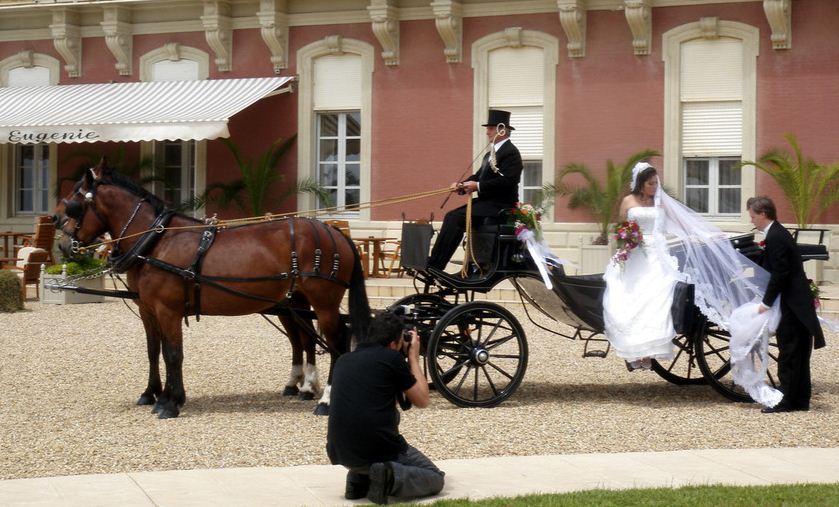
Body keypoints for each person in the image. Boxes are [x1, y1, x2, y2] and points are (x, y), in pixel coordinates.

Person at [326, 310, 445, 505]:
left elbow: (378, 401)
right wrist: (413, 357)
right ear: (393, 344)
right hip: (378, 450)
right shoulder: (391, 358)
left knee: (370, 444)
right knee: (434, 478)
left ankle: (359, 478)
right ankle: (388, 478)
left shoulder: (343, 360)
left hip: (341, 453)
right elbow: (422, 400)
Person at [747, 196, 825, 413]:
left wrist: (766, 302)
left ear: (763, 214)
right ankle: (800, 399)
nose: (752, 220)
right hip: (796, 303)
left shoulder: (776, 236)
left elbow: (780, 273)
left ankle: (787, 400)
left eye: (753, 216)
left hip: (793, 305)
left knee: (789, 351)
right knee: (798, 352)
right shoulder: (777, 233)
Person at [602, 163, 679, 370]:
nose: (655, 187)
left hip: (656, 253)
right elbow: (620, 228)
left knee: (656, 296)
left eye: (656, 183)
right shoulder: (628, 201)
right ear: (640, 184)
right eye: (650, 183)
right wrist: (626, 239)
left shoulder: (660, 203)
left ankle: (650, 352)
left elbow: (678, 223)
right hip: (633, 253)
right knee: (629, 297)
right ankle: (633, 352)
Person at [427, 109, 523, 271]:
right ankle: (436, 261)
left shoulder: (511, 153)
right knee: (452, 216)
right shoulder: (489, 155)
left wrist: (477, 187)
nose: (487, 133)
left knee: (454, 218)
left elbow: (508, 181)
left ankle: (436, 264)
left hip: (500, 205)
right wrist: (462, 186)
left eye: (490, 129)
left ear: (501, 130)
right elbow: (478, 176)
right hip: (486, 203)